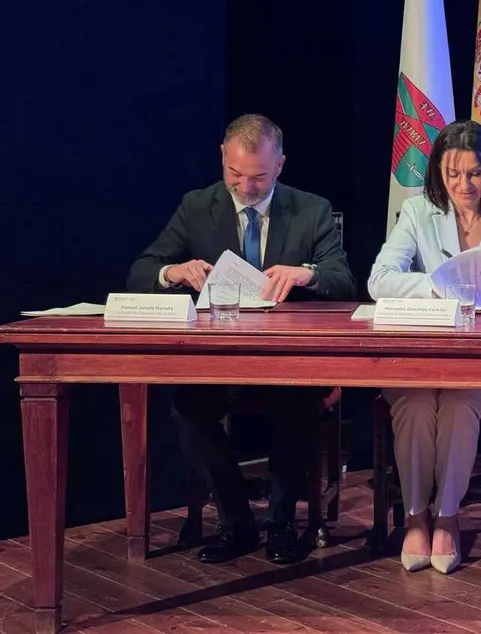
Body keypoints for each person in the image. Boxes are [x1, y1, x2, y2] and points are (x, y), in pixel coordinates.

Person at [127, 114, 357, 565]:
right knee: (188, 410)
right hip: (220, 361)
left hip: (288, 363)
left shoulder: (310, 210)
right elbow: (140, 270)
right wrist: (172, 272)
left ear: (281, 166)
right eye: (236, 174)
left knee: (297, 404)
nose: (246, 187)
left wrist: (307, 274)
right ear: (222, 160)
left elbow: (344, 280)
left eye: (258, 177)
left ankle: (283, 522)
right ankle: (236, 522)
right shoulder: (198, 205)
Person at [368, 120, 481, 573]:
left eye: (474, 174)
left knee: (459, 402)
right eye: (453, 174)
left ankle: (447, 516)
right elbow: (379, 280)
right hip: (421, 356)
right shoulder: (417, 213)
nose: (464, 185)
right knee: (414, 401)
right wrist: (441, 287)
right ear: (437, 174)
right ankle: (415, 517)